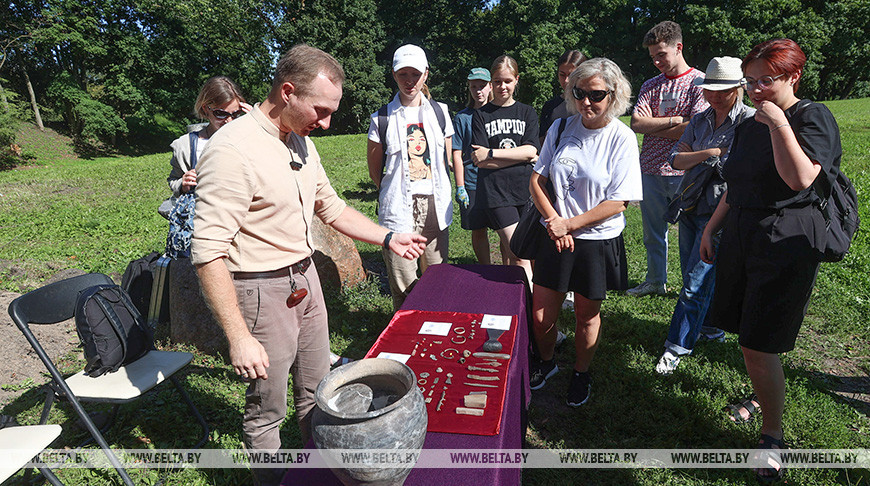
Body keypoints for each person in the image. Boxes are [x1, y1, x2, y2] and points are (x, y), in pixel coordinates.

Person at [191, 44, 427, 486]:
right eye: (320, 110)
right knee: (267, 410)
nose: (327, 122)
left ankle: (315, 475)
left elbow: (332, 208)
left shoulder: (299, 141)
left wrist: (390, 237)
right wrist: (239, 336)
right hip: (260, 291)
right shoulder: (233, 149)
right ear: (287, 92)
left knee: (321, 394)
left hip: (306, 280)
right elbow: (207, 252)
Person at [699, 39, 842, 483]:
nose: (758, 89)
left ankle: (773, 435)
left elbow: (800, 178)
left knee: (759, 341)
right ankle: (765, 393)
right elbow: (737, 186)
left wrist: (780, 123)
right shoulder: (748, 125)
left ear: (793, 77)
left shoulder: (810, 116)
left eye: (767, 80)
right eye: (752, 80)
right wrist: (711, 228)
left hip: (786, 240)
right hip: (743, 234)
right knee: (747, 332)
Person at [528, 58, 641, 407]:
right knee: (541, 314)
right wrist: (554, 222)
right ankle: (546, 364)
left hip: (596, 241)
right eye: (579, 93)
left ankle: (581, 371)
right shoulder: (561, 127)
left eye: (596, 94)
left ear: (614, 95)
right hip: (555, 236)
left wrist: (570, 225)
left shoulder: (621, 137)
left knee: (585, 315)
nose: (586, 102)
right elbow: (537, 180)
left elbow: (619, 201)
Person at [654, 57, 755, 374]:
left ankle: (676, 346)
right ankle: (712, 329)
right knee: (692, 276)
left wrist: (706, 161)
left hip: (723, 214)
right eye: (710, 89)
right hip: (690, 207)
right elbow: (676, 159)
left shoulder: (750, 123)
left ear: (739, 88)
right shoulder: (699, 120)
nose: (714, 95)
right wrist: (710, 154)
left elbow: (744, 173)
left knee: (695, 283)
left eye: (722, 90)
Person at [366, 44, 454, 310]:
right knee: (403, 281)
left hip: (435, 207)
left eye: (414, 74)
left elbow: (445, 162)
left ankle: (433, 325)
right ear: (394, 75)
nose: (409, 81)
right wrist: (391, 190)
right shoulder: (381, 118)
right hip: (398, 209)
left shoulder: (440, 112)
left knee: (436, 277)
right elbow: (375, 169)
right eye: (402, 74)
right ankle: (403, 335)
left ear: (425, 74)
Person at [628, 20, 709, 297]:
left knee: (689, 235)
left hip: (685, 171)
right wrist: (676, 120)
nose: (657, 62)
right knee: (653, 233)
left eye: (661, 54)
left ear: (679, 47)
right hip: (650, 169)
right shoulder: (651, 85)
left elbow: (697, 127)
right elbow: (637, 123)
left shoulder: (699, 82)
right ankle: (655, 281)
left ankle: (691, 287)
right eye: (653, 57)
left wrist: (658, 124)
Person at [471, 55, 540, 283]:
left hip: (527, 190)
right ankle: (533, 308)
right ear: (491, 83)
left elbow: (532, 150)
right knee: (518, 253)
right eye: (498, 81)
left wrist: (491, 153)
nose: (503, 86)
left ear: (516, 80)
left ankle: (516, 298)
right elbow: (480, 161)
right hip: (496, 193)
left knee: (530, 254)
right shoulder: (481, 115)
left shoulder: (527, 112)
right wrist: (521, 156)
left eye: (508, 81)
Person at [166, 76, 250, 198]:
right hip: (203, 213)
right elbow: (174, 180)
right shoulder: (185, 145)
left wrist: (257, 125)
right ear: (206, 109)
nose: (229, 121)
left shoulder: (248, 138)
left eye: (236, 114)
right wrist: (182, 184)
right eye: (221, 114)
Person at [452, 67, 495, 264]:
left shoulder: (499, 114)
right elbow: (457, 153)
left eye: (482, 86)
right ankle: (486, 267)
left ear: (490, 86)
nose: (478, 91)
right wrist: (460, 187)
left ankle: (508, 268)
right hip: (471, 181)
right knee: (478, 229)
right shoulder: (462, 118)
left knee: (504, 228)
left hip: (497, 180)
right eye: (474, 86)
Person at [539, 50, 588, 144]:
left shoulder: (590, 104)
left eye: (571, 75)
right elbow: (542, 142)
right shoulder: (550, 106)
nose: (566, 80)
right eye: (562, 75)